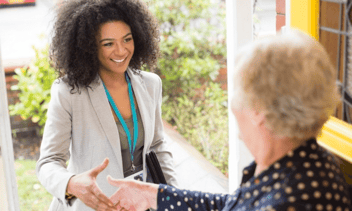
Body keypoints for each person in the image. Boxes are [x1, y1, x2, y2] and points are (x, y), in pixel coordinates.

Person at [106, 30, 352, 211]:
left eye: (237, 91)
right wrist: (156, 196)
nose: (232, 104)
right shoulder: (298, 160)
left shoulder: (294, 201)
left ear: (259, 110)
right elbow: (235, 205)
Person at [35, 0, 178, 210]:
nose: (121, 51)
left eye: (127, 39)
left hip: (138, 204)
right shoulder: (69, 92)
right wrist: (72, 184)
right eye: (108, 43)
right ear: (90, 47)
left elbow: (157, 145)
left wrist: (174, 195)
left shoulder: (150, 84)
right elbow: (48, 162)